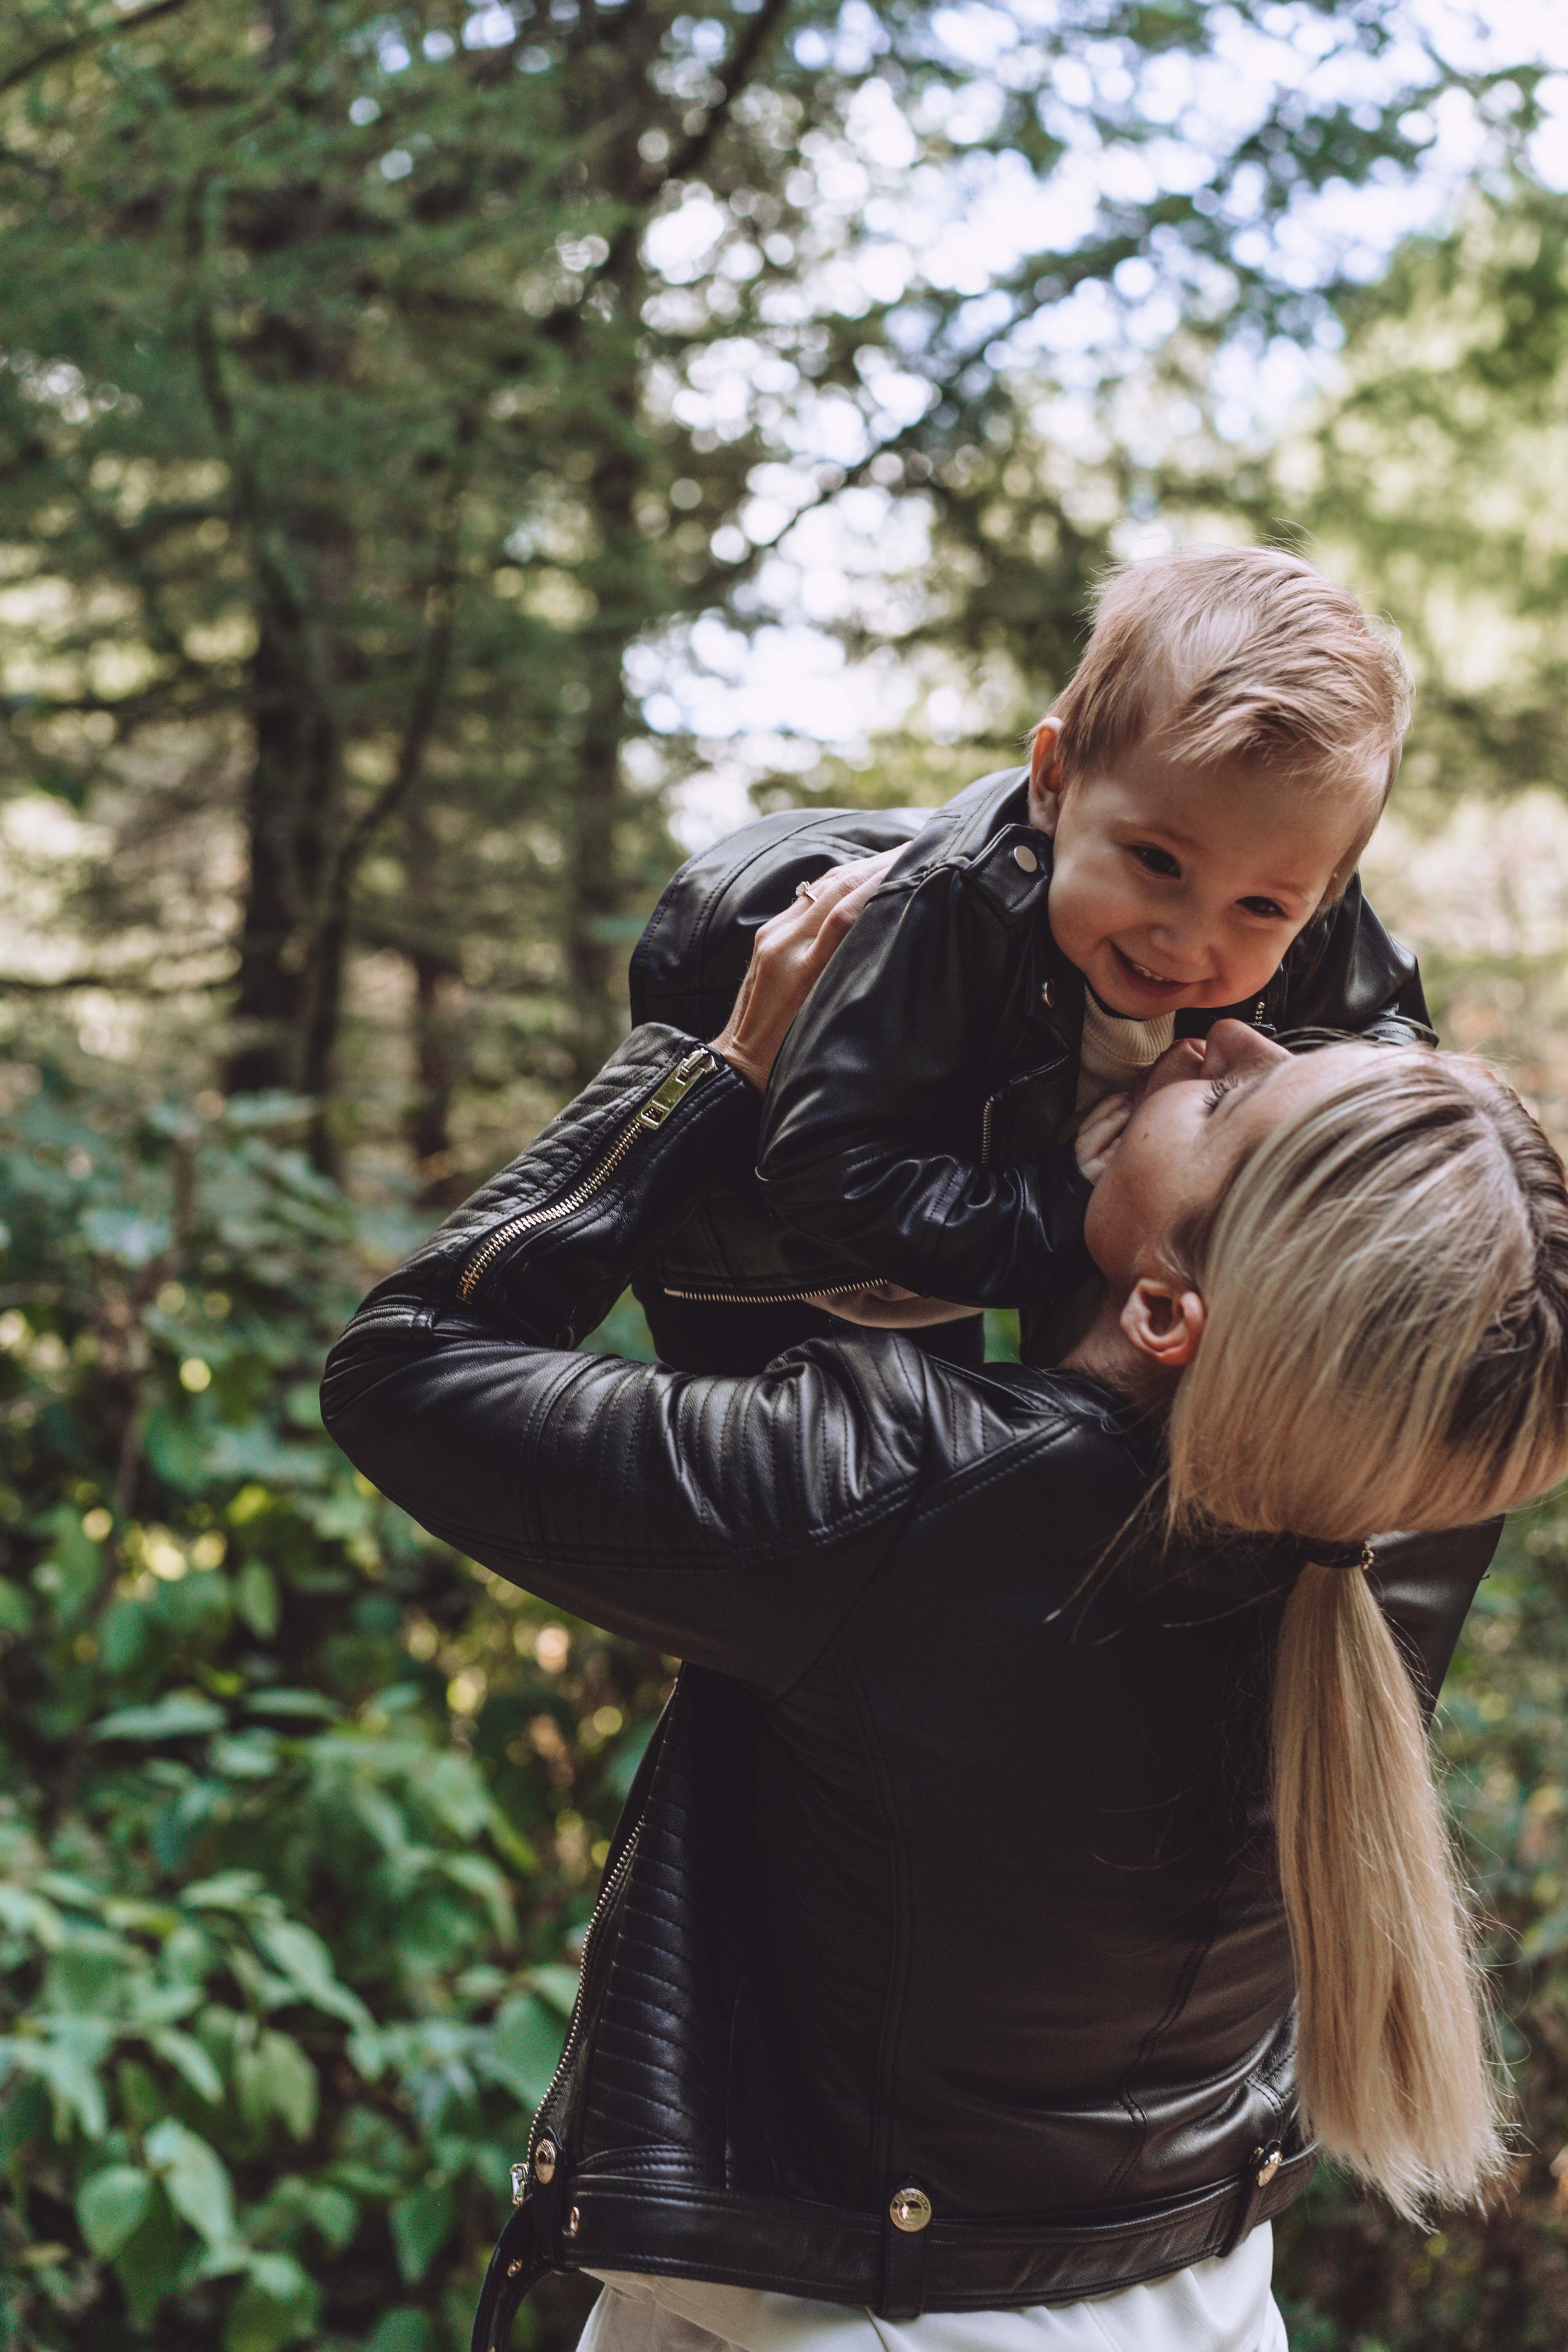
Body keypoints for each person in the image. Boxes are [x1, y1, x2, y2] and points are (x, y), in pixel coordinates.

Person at [321, 866, 1568, 2352]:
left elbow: (403, 1365)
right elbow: (1428, 1213)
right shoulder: (1418, 1506)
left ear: (1173, 1313)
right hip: (1194, 2303)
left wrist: (708, 1073)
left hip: (842, 2322)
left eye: (1231, 1105)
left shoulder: (895, 1493)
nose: (1231, 1034)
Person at [748, 544, 1433, 1364]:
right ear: (1054, 778)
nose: (1185, 940)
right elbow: (829, 1170)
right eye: (1156, 862)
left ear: (1323, 892)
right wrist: (1068, 1202)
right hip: (806, 1267)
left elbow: (1390, 1044)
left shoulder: (1310, 902)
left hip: (1042, 1236)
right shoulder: (958, 909)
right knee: (821, 1451)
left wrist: (1291, 1124)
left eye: (1259, 907)